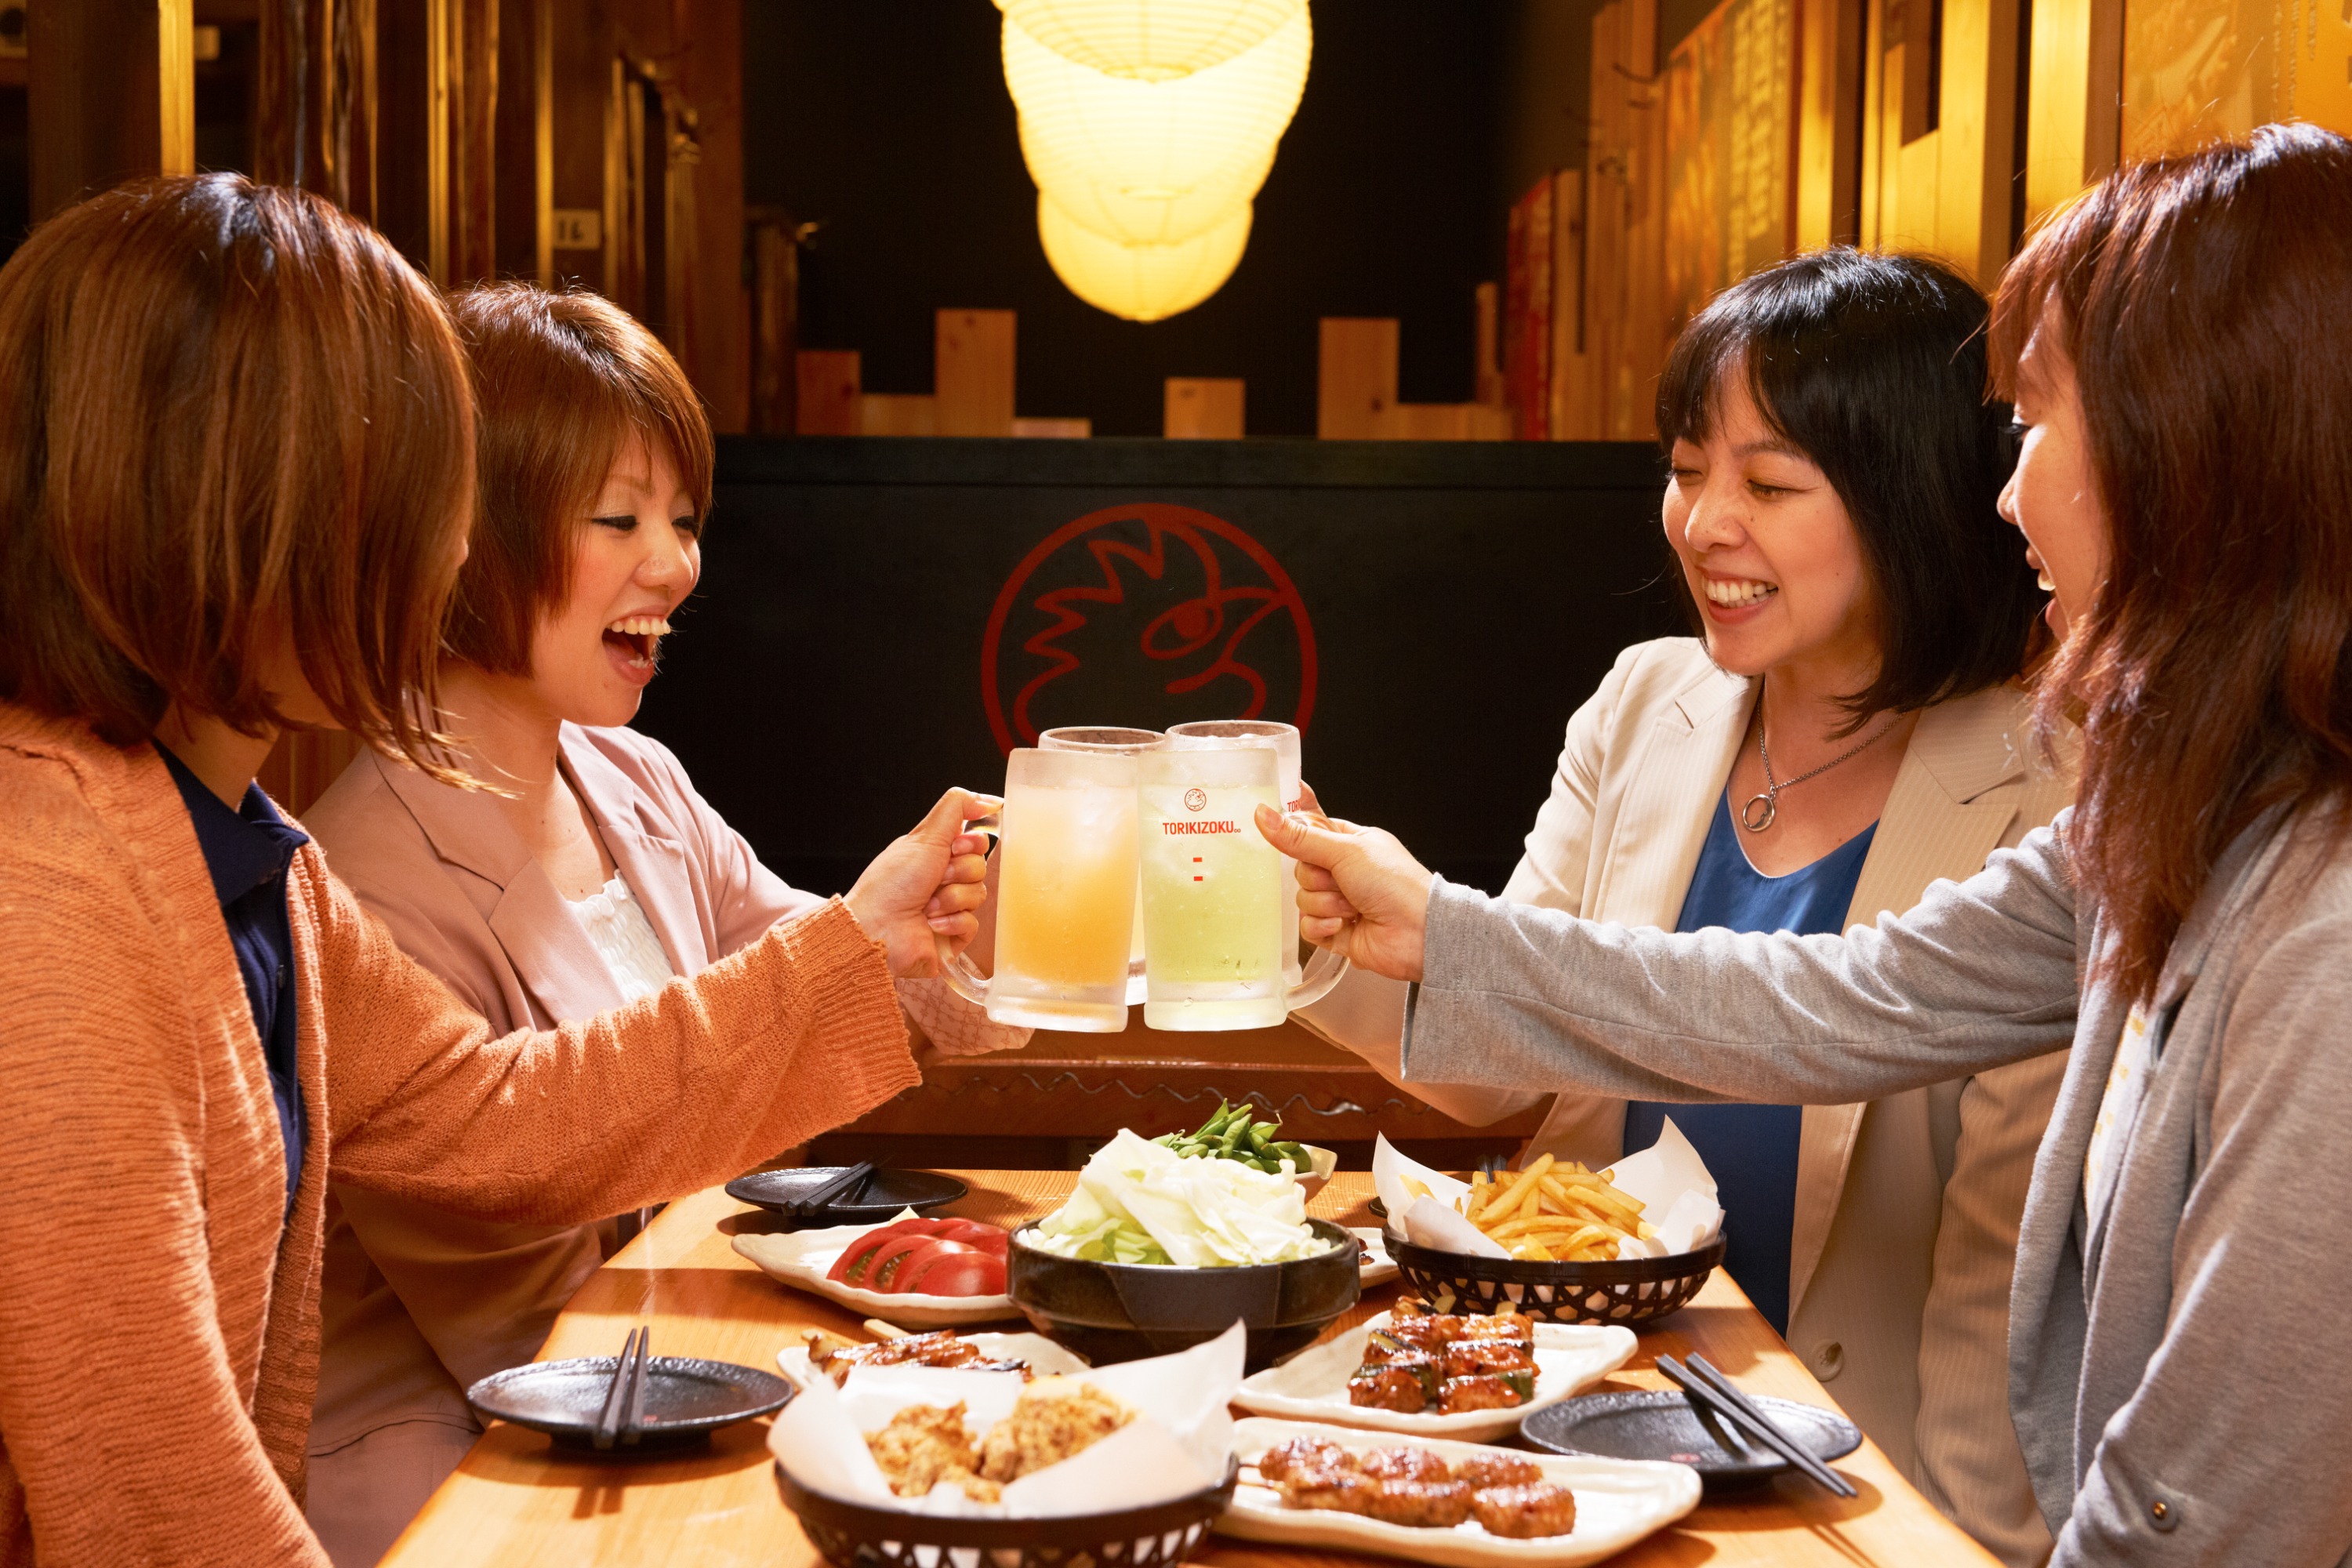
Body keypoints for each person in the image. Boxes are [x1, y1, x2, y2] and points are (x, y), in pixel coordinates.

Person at [1263, 125, 2352, 1566]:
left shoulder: (2315, 914)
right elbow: (1843, 1001)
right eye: (1690, 468)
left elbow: (2213, 1508)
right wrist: (1424, 929)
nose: (2008, 489)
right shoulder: (2182, 810)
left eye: (2038, 426)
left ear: (2193, 455)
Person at [0, 174, 991, 1568]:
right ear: (228, 499)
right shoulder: (55, 891)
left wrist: (864, 951)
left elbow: (493, 1123)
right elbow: (152, 1506)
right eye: (413, 489)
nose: (450, 547)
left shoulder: (235, 846)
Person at [1296, 248, 2069, 1564]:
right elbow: (1501, 1070)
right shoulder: (1649, 703)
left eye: (1770, 483)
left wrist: (1955, 1547)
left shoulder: (2047, 785)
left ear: (1918, 500)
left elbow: (1995, 1291)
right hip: (1592, 1420)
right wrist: (1312, 927)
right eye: (1685, 466)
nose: (1705, 522)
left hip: (1841, 1470)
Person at [296, 283, 1028, 1563]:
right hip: (469, 1470)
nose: (677, 565)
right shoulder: (363, 873)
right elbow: (527, 1316)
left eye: (683, 520)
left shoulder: (633, 777)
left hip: (677, 1370)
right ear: (465, 531)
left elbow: (823, 982)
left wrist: (978, 929)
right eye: (619, 517)